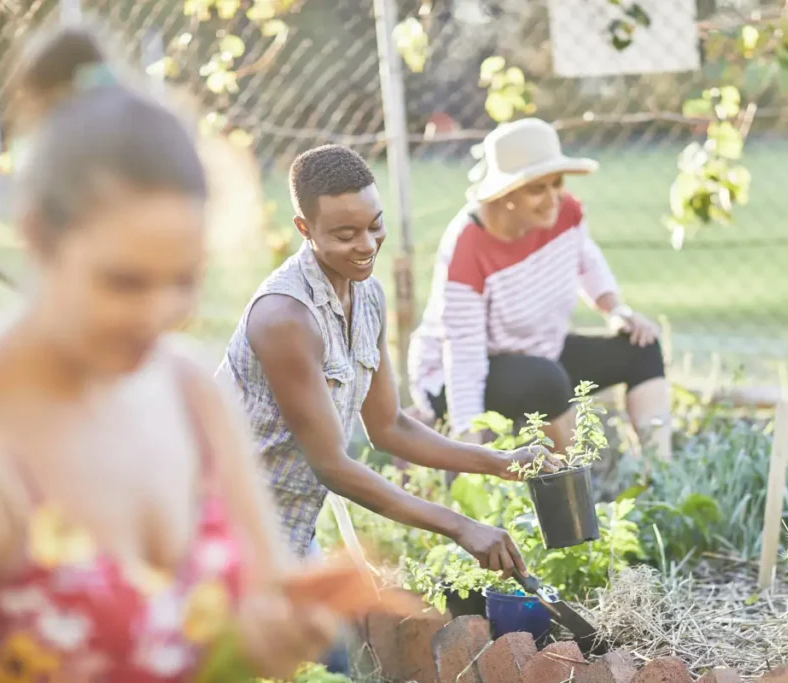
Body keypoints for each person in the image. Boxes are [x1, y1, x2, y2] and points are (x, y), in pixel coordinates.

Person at [0, 25, 338, 681]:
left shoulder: (190, 390)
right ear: (36, 236)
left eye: (184, 280)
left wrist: (276, 633)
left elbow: (257, 610)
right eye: (124, 282)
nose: (157, 315)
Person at [216, 144, 553, 572]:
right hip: (226, 527)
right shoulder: (286, 317)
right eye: (344, 235)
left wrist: (501, 462)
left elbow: (389, 427)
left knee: (326, 639)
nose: (366, 244)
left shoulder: (368, 295)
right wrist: (460, 526)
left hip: (287, 527)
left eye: (375, 225)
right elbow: (332, 465)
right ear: (305, 228)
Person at [407, 117, 672, 460]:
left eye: (556, 183)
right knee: (545, 380)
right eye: (537, 188)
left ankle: (661, 479)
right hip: (451, 377)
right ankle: (579, 490)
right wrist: (469, 447)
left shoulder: (565, 212)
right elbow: (464, 354)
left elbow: (586, 261)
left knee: (641, 346)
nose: (552, 199)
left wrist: (615, 310)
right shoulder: (468, 244)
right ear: (507, 194)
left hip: (539, 352)